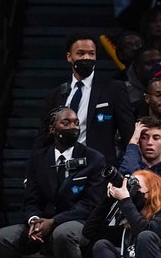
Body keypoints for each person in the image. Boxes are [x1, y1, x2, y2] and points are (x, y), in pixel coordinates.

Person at [0, 107, 106, 258]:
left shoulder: (94, 159)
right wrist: (35, 221)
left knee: (62, 234)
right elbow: (31, 200)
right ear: (53, 129)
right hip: (43, 222)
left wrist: (53, 221)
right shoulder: (38, 158)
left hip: (77, 222)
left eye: (75, 122)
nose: (73, 127)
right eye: (65, 123)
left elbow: (91, 204)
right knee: (1, 238)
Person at [34, 32, 135, 166]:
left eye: (91, 54)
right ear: (69, 57)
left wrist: (130, 167)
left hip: (99, 169)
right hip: (62, 167)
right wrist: (33, 171)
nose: (86, 58)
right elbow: (44, 136)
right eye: (81, 53)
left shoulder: (113, 89)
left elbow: (128, 132)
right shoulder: (56, 94)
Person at [83, 169, 161, 258]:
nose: (131, 193)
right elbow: (90, 231)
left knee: (145, 236)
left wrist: (125, 200)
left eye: (136, 187)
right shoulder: (129, 226)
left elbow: (146, 232)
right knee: (102, 245)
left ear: (153, 192)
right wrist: (109, 198)